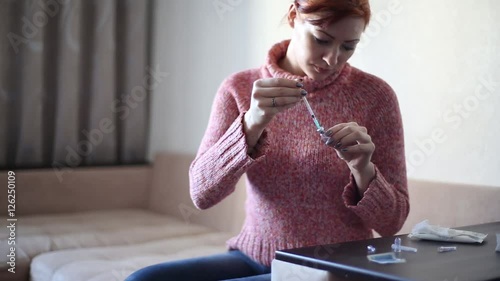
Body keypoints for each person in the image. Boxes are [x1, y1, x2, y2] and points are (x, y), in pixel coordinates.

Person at [126, 0, 409, 280]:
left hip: (335, 268)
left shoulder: (375, 96)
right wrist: (250, 125)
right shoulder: (238, 88)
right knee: (143, 279)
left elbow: (391, 224)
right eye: (322, 39)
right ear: (292, 17)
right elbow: (202, 195)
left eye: (349, 46)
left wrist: (363, 170)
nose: (332, 59)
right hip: (254, 257)